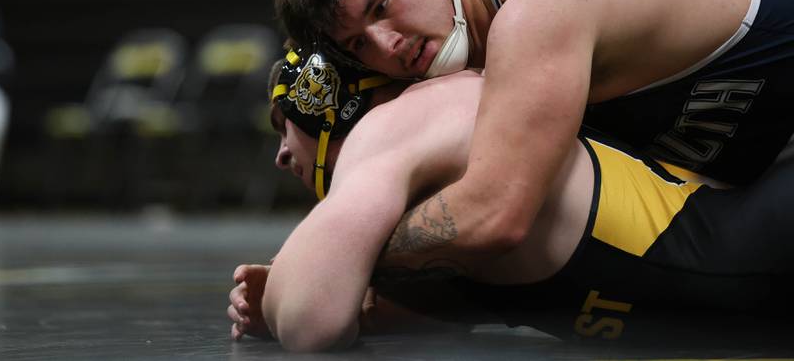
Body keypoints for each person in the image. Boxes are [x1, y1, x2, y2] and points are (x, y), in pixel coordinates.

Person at [273, 0, 794, 263]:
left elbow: (494, 216)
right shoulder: (488, 74)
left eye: (381, 6)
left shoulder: (541, 3)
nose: (387, 44)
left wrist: (336, 253)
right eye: (360, 45)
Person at [227, 47, 793, 352]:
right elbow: (437, 315)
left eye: (286, 127)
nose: (280, 155)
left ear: (327, 106)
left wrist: (299, 284)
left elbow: (310, 325)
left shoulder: (396, 125)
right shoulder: (425, 173)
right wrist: (328, 284)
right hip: (746, 277)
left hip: (761, 248)